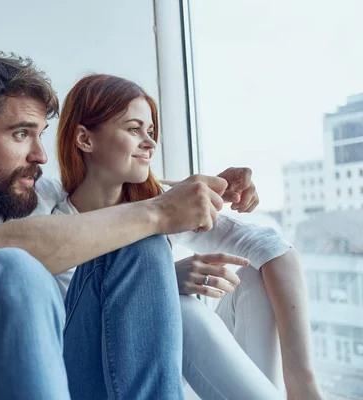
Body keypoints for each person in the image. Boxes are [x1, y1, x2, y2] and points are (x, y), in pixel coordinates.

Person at [0, 49, 260, 400]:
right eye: (22, 135)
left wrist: (210, 188)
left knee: (140, 244)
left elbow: (114, 190)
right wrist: (160, 212)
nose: (41, 156)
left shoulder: (32, 197)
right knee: (12, 267)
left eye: (41, 135)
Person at [53, 73, 325, 400]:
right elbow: (68, 319)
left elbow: (275, 249)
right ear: (85, 139)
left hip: (164, 377)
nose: (151, 143)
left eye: (151, 132)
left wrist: (304, 385)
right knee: (178, 302)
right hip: (86, 378)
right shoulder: (49, 211)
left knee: (254, 277)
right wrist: (162, 281)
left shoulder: (156, 205)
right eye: (134, 129)